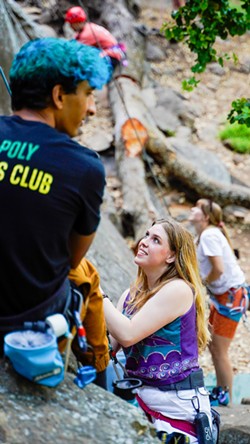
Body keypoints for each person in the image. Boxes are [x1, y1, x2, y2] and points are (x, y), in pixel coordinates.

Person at [0, 37, 112, 388]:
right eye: (87, 93)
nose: (91, 108)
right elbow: (70, 258)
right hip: (28, 324)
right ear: (59, 95)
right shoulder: (84, 168)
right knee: (85, 274)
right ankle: (102, 370)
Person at [102, 218, 213, 443]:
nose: (143, 242)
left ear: (171, 256)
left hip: (175, 405)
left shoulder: (179, 290)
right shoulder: (129, 296)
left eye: (155, 240)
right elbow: (108, 348)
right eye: (146, 235)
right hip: (138, 399)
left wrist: (95, 291)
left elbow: (128, 333)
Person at [188, 198, 247, 404]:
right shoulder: (205, 235)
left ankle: (228, 401)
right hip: (224, 296)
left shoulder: (210, 235)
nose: (192, 209)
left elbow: (218, 269)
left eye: (197, 207)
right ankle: (222, 392)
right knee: (214, 348)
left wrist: (202, 283)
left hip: (230, 297)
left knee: (220, 352)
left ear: (205, 216)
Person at [65, 6, 127, 71]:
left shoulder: (87, 34)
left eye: (71, 23)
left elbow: (75, 50)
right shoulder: (88, 27)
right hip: (115, 53)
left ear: (77, 23)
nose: (70, 26)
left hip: (112, 56)